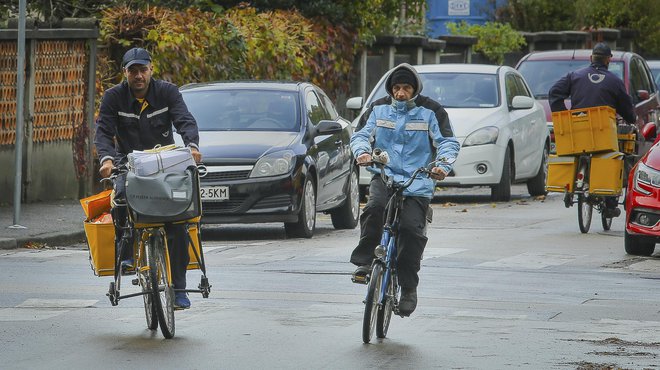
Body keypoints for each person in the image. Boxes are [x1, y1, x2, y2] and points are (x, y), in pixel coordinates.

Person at [94, 47, 202, 310]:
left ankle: (177, 289)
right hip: (127, 162)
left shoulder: (167, 92)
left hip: (164, 161)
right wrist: (106, 160)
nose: (139, 76)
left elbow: (184, 119)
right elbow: (103, 132)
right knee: (119, 198)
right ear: (125, 73)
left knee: (177, 221)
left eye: (143, 70)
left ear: (151, 70)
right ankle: (127, 253)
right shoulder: (113, 97)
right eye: (133, 71)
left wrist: (192, 145)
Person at [350, 63, 460, 316]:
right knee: (375, 209)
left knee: (411, 232)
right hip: (384, 175)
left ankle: (409, 288)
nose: (401, 93)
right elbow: (359, 135)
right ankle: (365, 262)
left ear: (415, 89)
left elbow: (447, 142)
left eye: (406, 88)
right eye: (397, 88)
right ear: (391, 89)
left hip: (418, 181)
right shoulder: (377, 109)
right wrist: (363, 153)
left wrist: (442, 166)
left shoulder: (432, 111)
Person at [548, 42, 636, 218]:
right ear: (608, 60)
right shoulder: (614, 81)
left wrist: (563, 114)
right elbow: (626, 108)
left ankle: (571, 188)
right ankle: (610, 204)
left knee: (575, 152)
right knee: (613, 157)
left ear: (591, 58)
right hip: (603, 133)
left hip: (578, 131)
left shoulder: (574, 76)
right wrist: (631, 119)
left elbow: (554, 92)